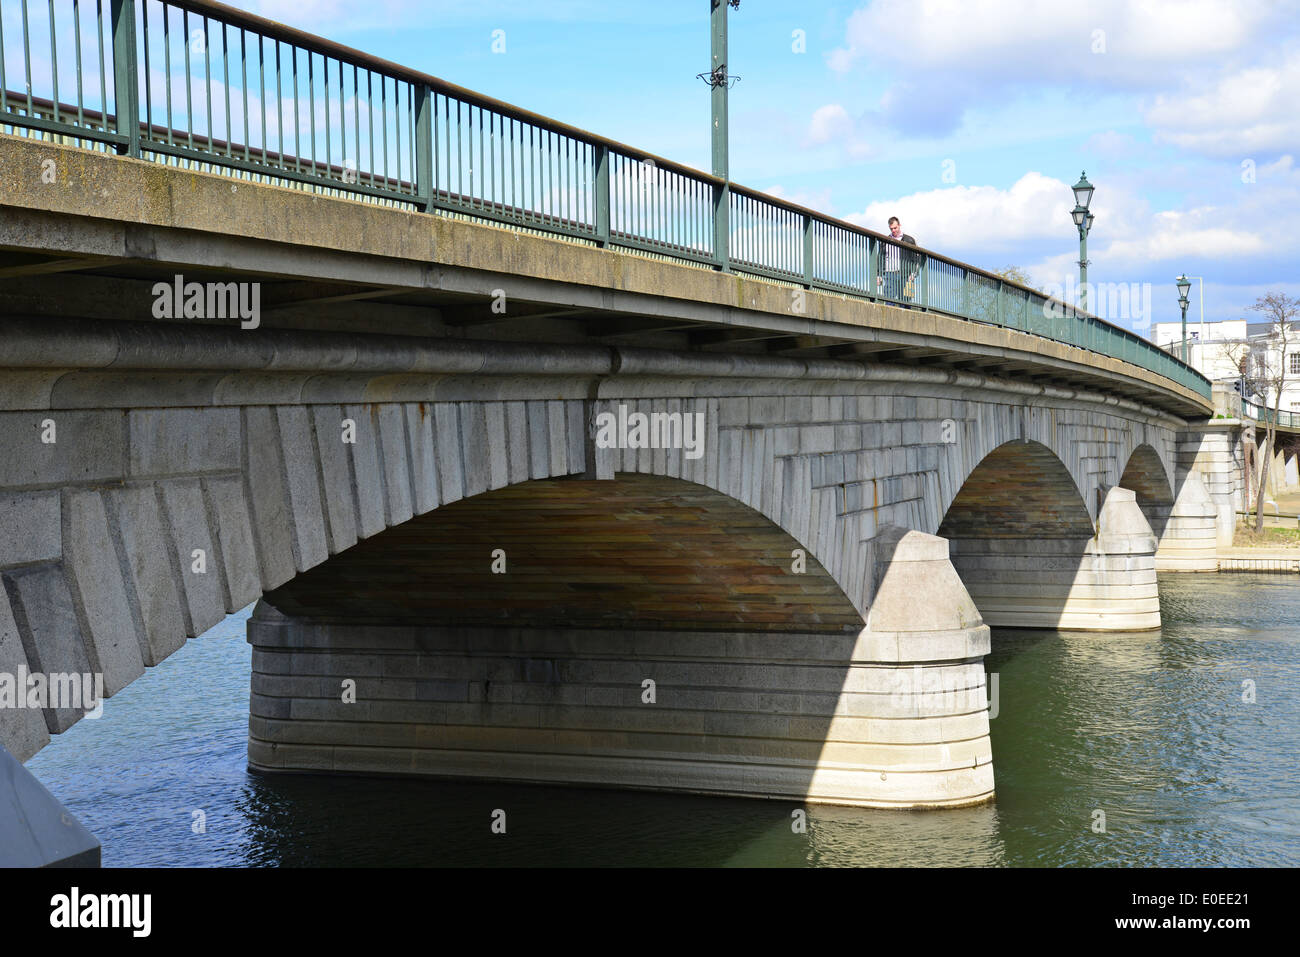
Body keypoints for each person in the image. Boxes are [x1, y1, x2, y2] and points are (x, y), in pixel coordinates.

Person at [880, 216, 919, 301]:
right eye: (891, 229)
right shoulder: (885, 240)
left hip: (906, 275)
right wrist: (878, 275)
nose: (893, 230)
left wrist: (913, 274)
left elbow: (916, 259)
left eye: (895, 228)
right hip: (889, 273)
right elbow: (880, 258)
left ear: (899, 225)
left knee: (906, 301)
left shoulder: (909, 240)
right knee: (888, 300)